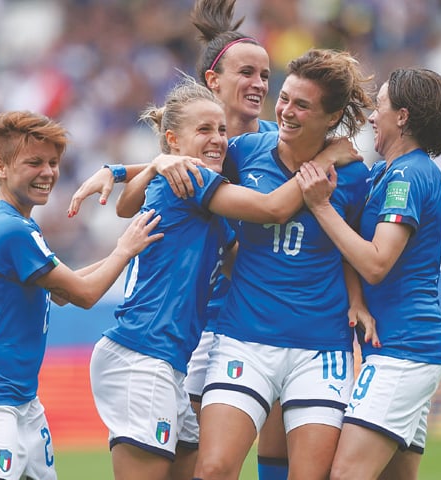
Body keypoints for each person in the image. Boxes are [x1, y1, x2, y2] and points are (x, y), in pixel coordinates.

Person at [91, 73, 360, 480]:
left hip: (171, 357)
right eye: (205, 130)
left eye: (221, 130)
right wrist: (324, 160)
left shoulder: (211, 196)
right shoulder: (193, 179)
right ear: (173, 141)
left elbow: (233, 256)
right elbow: (273, 209)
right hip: (143, 354)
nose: (219, 139)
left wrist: (132, 169)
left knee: (197, 467)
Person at [0, 110, 164, 480]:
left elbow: (62, 290)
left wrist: (128, 251)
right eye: (34, 163)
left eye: (53, 163)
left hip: (20, 400)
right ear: (0, 167)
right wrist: (126, 250)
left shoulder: (13, 223)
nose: (47, 172)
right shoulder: (10, 229)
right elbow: (84, 294)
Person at [192, 48, 374, 480]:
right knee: (213, 468)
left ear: (332, 117)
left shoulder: (354, 177)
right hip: (245, 337)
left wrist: (356, 300)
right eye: (285, 98)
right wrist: (125, 170)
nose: (286, 111)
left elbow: (351, 248)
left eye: (302, 105)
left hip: (320, 346)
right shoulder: (245, 151)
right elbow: (189, 165)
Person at [296, 68, 441, 480]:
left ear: (402, 117)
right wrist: (355, 301)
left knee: (345, 474)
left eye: (381, 105)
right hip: (400, 346)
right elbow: (354, 251)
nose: (372, 115)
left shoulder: (407, 175)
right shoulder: (388, 172)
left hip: (404, 350)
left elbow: (374, 263)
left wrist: (320, 206)